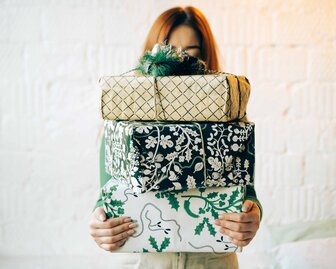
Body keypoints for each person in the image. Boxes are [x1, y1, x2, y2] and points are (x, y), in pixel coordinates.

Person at [89, 6, 262, 269]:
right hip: (145, 262)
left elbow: (245, 193)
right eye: (168, 53)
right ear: (151, 57)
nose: (179, 64)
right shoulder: (122, 124)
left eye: (191, 54)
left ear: (205, 58)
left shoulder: (231, 120)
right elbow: (108, 197)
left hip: (212, 262)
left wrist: (253, 216)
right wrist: (100, 225)